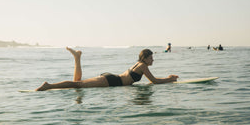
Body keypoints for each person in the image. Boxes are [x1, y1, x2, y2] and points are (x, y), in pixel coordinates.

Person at [36, 47, 179, 91]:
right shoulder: (142, 66)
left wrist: (167, 79)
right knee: (77, 85)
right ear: (145, 58)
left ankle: (77, 58)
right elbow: (154, 81)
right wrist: (170, 79)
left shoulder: (138, 65)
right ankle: (48, 86)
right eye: (151, 58)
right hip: (111, 81)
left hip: (112, 79)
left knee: (77, 84)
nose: (153, 60)